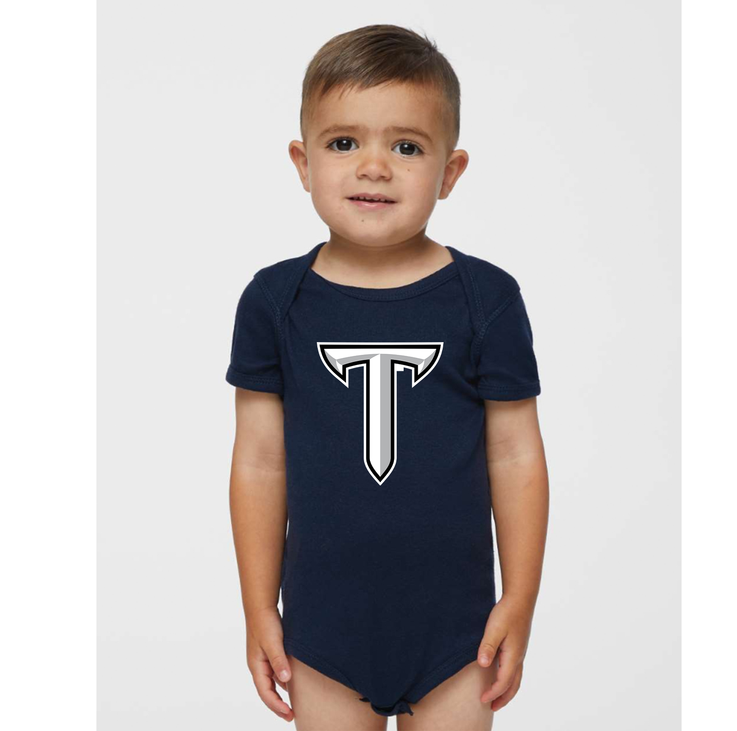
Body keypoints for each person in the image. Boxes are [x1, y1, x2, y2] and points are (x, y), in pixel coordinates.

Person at [226, 24, 549, 731]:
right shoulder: (274, 300)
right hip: (322, 626)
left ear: (450, 172)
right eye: (344, 142)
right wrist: (257, 606)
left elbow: (516, 453)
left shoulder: (486, 299)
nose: (373, 167)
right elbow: (259, 461)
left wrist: (519, 598)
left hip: (459, 631)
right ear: (303, 161)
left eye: (406, 147)